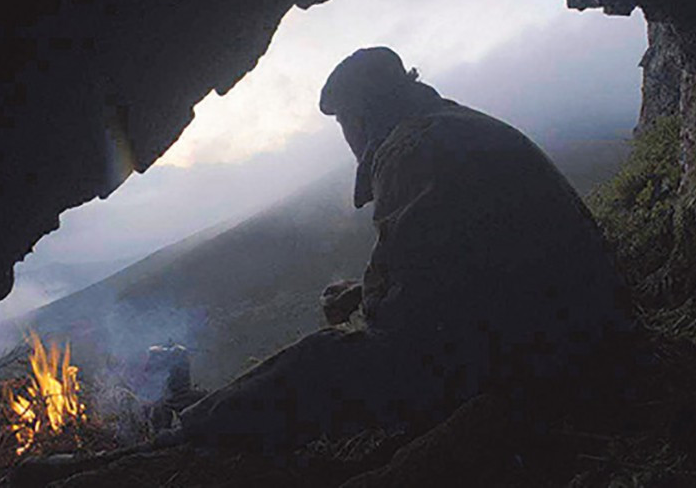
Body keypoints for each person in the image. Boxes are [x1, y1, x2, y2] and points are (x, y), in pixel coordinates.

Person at [169, 47, 632, 455]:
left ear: (362, 117)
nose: (347, 138)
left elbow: (404, 317)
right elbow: (461, 258)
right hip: (589, 329)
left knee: (324, 359)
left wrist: (371, 303)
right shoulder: (455, 124)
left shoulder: (410, 149)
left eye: (345, 122)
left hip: (552, 361)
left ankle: (189, 432)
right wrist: (366, 290)